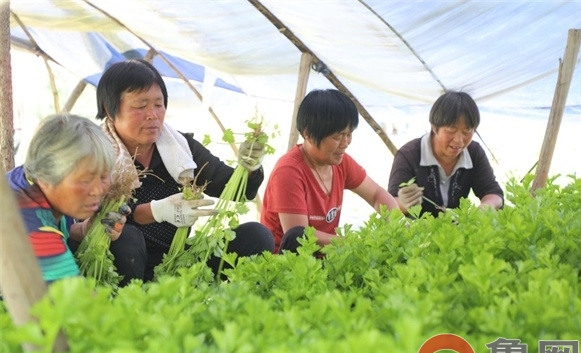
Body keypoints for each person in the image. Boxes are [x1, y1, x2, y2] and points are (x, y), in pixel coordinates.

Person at [95, 59, 274, 281]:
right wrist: (156, 211)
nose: (153, 115)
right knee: (125, 240)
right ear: (110, 110)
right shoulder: (95, 152)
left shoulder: (179, 148)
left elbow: (234, 189)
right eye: (140, 106)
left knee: (256, 236)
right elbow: (99, 217)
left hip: (178, 260)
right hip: (127, 262)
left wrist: (249, 167)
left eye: (158, 105)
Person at [261, 89, 399, 253]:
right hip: (286, 262)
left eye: (349, 134)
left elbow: (376, 194)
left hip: (327, 256)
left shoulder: (340, 162)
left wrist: (396, 225)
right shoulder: (289, 171)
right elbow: (298, 235)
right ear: (308, 134)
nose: (346, 142)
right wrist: (355, 242)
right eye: (338, 136)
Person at [7, 114, 128, 283]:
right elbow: (80, 302)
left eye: (103, 176)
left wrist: (83, 230)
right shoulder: (26, 221)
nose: (98, 190)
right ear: (46, 177)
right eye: (85, 180)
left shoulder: (28, 178)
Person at [388, 91, 504, 217]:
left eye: (467, 131)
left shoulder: (473, 152)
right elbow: (389, 204)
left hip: (458, 231)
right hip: (418, 232)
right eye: (451, 130)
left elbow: (493, 192)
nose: (459, 140)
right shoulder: (409, 155)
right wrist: (404, 204)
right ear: (434, 127)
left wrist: (486, 207)